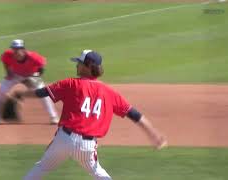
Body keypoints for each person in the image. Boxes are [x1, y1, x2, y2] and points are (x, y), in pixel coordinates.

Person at [15, 50, 167, 179]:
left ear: (88, 67)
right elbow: (134, 115)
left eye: (79, 63)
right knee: (98, 173)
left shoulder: (70, 83)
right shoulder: (110, 93)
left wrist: (21, 94)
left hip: (63, 140)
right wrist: (153, 134)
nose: (77, 65)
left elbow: (42, 92)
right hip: (87, 147)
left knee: (41, 168)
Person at [0, 39, 59, 124]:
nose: (16, 51)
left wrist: (36, 76)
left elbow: (41, 67)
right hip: (15, 75)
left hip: (31, 75)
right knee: (1, 92)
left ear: (23, 49)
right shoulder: (8, 54)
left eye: (18, 49)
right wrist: (8, 72)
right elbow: (5, 61)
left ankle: (53, 117)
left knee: (43, 94)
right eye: (14, 49)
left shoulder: (33, 57)